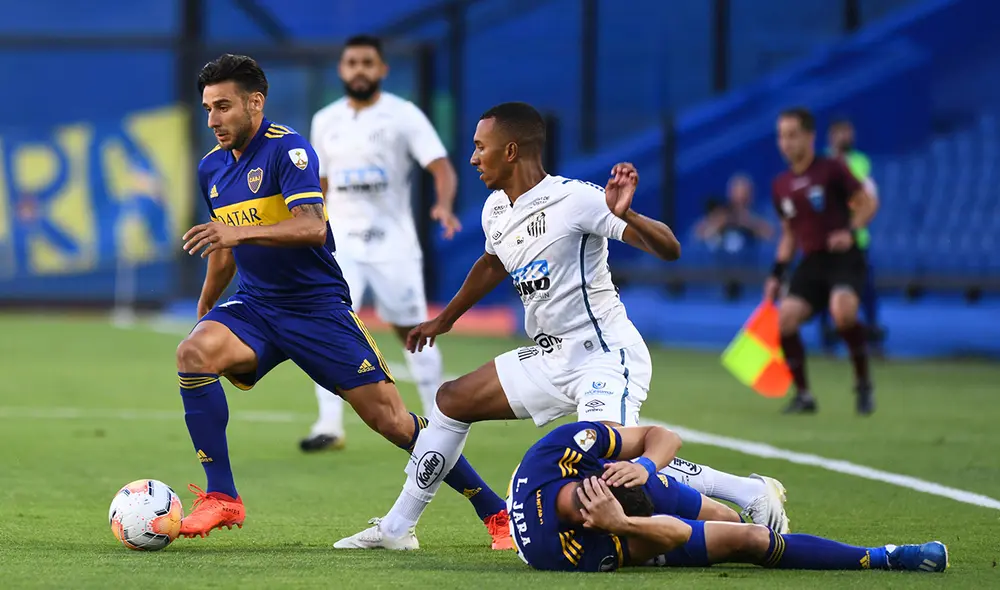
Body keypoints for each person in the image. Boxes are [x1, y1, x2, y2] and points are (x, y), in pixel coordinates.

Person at [334, 102, 789, 550]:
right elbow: (492, 264)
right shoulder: (495, 209)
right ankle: (397, 528)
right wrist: (444, 319)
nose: (472, 158)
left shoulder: (578, 200)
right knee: (452, 400)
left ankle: (744, 494)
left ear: (510, 151)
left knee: (610, 463)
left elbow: (670, 249)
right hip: (551, 355)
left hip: (605, 355)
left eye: (480, 147)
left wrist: (627, 213)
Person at [174, 54, 511, 548]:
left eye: (223, 107)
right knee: (192, 354)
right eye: (207, 109)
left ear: (255, 102)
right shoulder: (211, 169)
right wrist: (206, 307)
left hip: (316, 310)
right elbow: (225, 248)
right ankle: (222, 496)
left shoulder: (289, 152)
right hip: (258, 307)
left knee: (393, 423)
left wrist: (237, 234)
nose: (213, 120)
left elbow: (312, 227)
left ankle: (493, 509)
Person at [507, 420, 948, 573]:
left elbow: (664, 436)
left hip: (630, 498)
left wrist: (642, 466)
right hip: (628, 534)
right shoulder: (566, 551)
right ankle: (885, 556)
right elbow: (675, 535)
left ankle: (743, 492)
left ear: (607, 473)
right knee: (750, 539)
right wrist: (622, 525)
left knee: (727, 518)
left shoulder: (563, 450)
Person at [302, 35, 462, 453]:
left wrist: (443, 206)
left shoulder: (403, 115)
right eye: (351, 62)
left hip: (393, 243)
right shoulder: (325, 120)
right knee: (327, 324)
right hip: (341, 245)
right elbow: (317, 184)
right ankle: (329, 425)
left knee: (412, 329)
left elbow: (441, 166)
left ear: (382, 69)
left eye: (367, 62)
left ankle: (441, 421)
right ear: (341, 69)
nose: (359, 69)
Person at [765, 107, 879, 415]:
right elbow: (788, 234)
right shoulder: (781, 185)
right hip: (812, 261)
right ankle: (804, 396)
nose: (785, 143)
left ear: (809, 137)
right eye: (781, 136)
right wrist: (777, 274)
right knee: (785, 318)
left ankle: (863, 382)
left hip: (844, 257)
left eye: (792, 135)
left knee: (842, 313)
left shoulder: (832, 169)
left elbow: (867, 203)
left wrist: (850, 230)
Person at [820, 119, 884, 355]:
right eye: (842, 133)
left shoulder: (860, 161)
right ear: (832, 136)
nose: (846, 137)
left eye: (849, 132)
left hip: (857, 238)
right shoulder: (821, 163)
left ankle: (872, 338)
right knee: (828, 290)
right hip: (828, 240)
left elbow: (868, 197)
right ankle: (829, 340)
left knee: (866, 290)